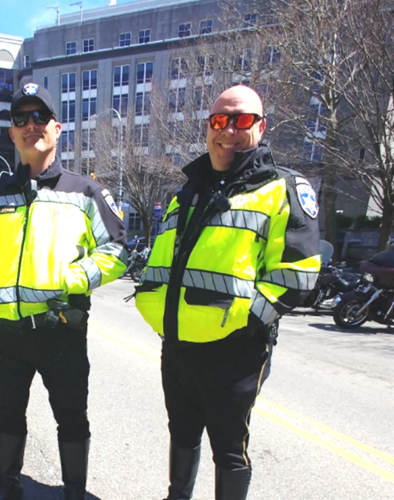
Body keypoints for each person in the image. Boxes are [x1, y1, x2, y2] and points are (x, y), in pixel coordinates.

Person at [135, 85, 321, 500]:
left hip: (235, 351)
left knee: (229, 449)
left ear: (261, 126)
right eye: (220, 121)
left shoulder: (282, 187)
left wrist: (248, 322)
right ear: (208, 127)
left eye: (241, 121)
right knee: (181, 433)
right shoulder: (188, 189)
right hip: (179, 344)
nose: (229, 132)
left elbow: (298, 274)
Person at [0, 82, 128, 500]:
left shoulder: (85, 191)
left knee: (72, 418)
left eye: (39, 118)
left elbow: (119, 249)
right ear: (13, 132)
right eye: (21, 119)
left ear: (57, 128)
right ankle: (9, 486)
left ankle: (74, 492)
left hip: (60, 330)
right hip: (6, 334)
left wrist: (72, 279)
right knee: (8, 416)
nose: (30, 125)